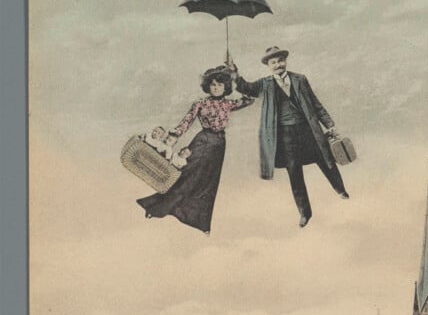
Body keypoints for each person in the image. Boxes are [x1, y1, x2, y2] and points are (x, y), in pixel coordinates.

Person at [230, 46, 349, 228]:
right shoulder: (265, 84)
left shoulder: (300, 79)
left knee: (326, 160)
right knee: (294, 172)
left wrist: (330, 125)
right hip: (285, 136)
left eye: (280, 60)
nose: (278, 65)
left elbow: (316, 104)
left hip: (308, 130)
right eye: (273, 62)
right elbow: (247, 88)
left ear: (285, 61)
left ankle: (341, 190)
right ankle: (304, 212)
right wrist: (235, 74)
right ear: (268, 66)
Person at [136, 66, 255, 233]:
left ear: (226, 86)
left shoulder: (229, 104)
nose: (216, 87)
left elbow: (251, 98)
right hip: (203, 142)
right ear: (207, 86)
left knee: (209, 184)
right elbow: (187, 121)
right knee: (187, 176)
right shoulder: (200, 103)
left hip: (219, 145)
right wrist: (174, 135)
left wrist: (236, 76)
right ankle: (157, 208)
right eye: (212, 84)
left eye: (220, 84)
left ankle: (201, 223)